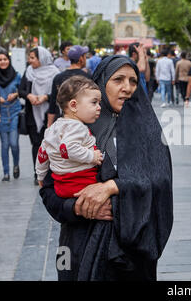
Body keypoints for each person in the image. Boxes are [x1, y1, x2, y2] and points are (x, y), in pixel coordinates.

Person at [39, 55, 173, 281]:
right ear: (100, 84)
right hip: (79, 244)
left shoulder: (148, 131)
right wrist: (77, 208)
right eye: (118, 80)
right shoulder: (72, 130)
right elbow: (48, 190)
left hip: (131, 253)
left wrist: (113, 187)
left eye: (133, 81)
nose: (127, 88)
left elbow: (161, 183)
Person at [36, 76, 103, 198]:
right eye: (94, 102)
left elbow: (42, 153)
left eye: (99, 103)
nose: (99, 107)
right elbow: (68, 148)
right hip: (82, 183)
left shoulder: (53, 128)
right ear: (73, 105)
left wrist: (40, 175)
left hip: (61, 186)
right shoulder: (77, 127)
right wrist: (92, 156)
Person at [19, 46, 60, 185]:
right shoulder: (29, 72)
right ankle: (38, 174)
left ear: (41, 58)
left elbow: (58, 93)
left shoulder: (55, 73)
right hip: (32, 114)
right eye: (29, 58)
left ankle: (52, 172)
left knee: (50, 144)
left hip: (49, 114)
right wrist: (28, 95)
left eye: (32, 58)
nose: (30, 61)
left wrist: (45, 97)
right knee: (36, 144)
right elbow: (21, 90)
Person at [0, 51, 22, 181]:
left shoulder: (16, 76)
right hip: (1, 113)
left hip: (14, 111)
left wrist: (15, 95)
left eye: (5, 59)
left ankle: (16, 165)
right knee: (5, 144)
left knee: (14, 143)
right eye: (0, 60)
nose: (3, 61)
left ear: (9, 60)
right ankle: (6, 172)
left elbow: (23, 90)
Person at [47, 45, 92, 127]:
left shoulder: (58, 77)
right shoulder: (87, 77)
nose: (86, 59)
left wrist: (49, 125)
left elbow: (52, 104)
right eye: (85, 56)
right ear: (81, 59)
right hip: (83, 122)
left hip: (63, 121)